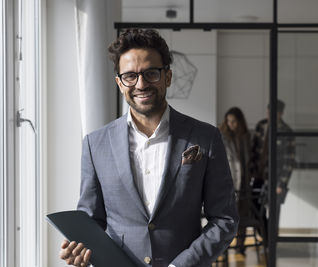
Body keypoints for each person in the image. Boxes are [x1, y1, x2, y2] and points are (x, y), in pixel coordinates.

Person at [59, 28, 238, 267]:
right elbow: (91, 222)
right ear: (120, 83)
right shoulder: (95, 144)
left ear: (168, 76)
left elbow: (225, 220)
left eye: (151, 73)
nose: (141, 84)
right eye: (130, 76)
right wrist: (80, 250)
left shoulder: (206, 137)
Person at [249, 99, 296, 233]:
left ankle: (271, 243)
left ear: (281, 114)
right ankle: (265, 237)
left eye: (274, 113)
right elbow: (253, 151)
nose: (270, 115)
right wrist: (251, 174)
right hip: (258, 176)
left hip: (275, 179)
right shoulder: (261, 126)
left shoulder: (287, 131)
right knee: (255, 208)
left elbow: (289, 161)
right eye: (268, 112)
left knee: (274, 213)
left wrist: (281, 183)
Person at [219, 107, 251, 255]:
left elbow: (249, 159)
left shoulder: (245, 136)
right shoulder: (221, 136)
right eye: (229, 121)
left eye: (234, 121)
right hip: (228, 182)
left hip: (244, 183)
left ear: (239, 122)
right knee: (227, 219)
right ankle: (223, 250)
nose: (231, 124)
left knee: (243, 216)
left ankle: (240, 247)